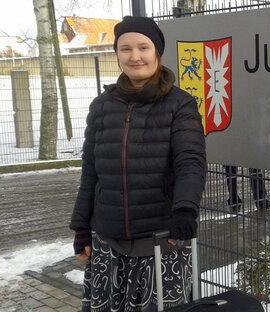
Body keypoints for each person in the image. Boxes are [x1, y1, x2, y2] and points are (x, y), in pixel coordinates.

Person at [69, 16, 207, 311]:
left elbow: (190, 162)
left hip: (160, 241)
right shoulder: (102, 106)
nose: (135, 57)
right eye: (125, 49)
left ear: (157, 52)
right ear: (117, 54)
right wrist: (81, 225)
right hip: (107, 239)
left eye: (143, 47)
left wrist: (185, 210)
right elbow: (91, 171)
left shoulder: (180, 104)